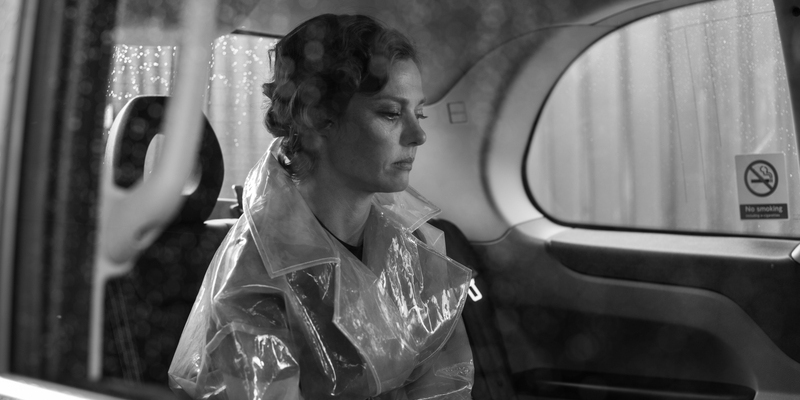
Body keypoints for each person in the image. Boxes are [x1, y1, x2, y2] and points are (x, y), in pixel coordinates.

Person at [169, 13, 474, 399]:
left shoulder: (412, 249)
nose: (418, 135)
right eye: (391, 113)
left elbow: (446, 383)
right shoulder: (254, 278)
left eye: (420, 113)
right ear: (318, 117)